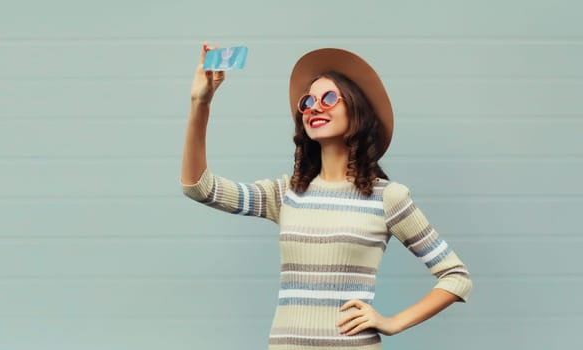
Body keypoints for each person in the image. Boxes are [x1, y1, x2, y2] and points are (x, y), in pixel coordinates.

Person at [181, 43, 472, 349]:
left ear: (356, 109)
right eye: (307, 102)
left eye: (329, 98)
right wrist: (201, 104)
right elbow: (199, 187)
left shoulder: (388, 197)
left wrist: (392, 323)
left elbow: (456, 276)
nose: (315, 107)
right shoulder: (285, 193)